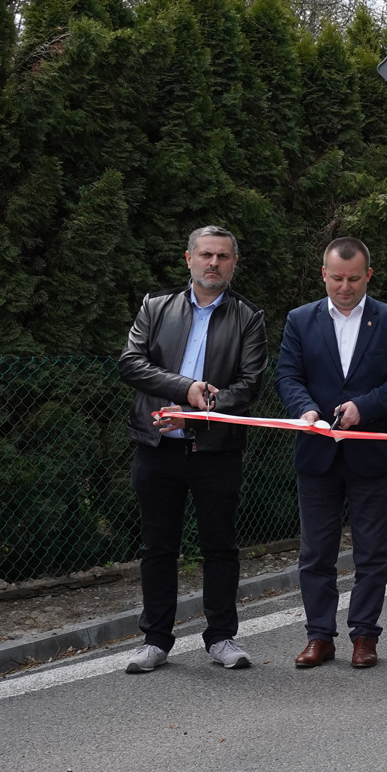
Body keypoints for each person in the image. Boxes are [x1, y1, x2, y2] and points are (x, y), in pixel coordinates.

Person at [116, 225, 267, 674]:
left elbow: (250, 385)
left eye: (222, 256)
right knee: (157, 547)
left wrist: (204, 408)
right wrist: (186, 389)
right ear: (188, 258)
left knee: (220, 547)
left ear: (234, 263)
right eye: (205, 254)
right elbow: (131, 363)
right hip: (157, 444)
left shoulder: (249, 317)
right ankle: (155, 640)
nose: (213, 263)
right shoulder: (155, 306)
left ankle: (221, 638)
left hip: (217, 450)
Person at [275, 238, 387, 669]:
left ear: (368, 275)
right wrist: (306, 409)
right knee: (316, 553)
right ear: (324, 274)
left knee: (372, 552)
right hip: (316, 454)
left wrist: (364, 407)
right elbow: (286, 375)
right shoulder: (301, 320)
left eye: (354, 278)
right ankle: (319, 635)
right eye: (336, 277)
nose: (345, 286)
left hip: (370, 455)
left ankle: (364, 636)